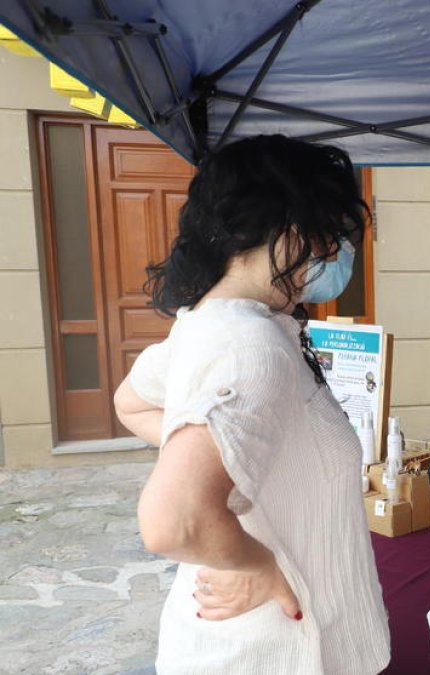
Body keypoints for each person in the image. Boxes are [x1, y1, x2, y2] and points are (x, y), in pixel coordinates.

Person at [112, 135, 389, 674]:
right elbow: (172, 520)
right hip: (278, 650)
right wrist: (259, 565)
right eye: (326, 230)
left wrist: (232, 468)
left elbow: (133, 403)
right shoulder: (248, 346)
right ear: (284, 227)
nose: (333, 251)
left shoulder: (207, 320)